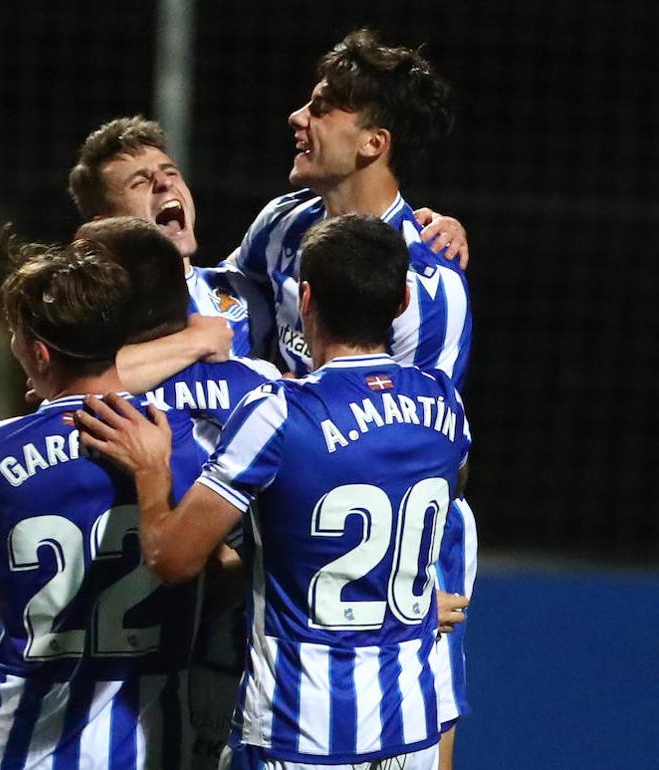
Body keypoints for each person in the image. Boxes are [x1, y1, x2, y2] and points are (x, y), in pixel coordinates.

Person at [77, 214, 471, 770]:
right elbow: (451, 484)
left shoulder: (279, 413)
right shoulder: (443, 402)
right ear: (404, 301)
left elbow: (171, 559)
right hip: (409, 728)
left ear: (304, 299)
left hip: (298, 730)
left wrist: (150, 471)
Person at [228, 30, 474, 765]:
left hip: (400, 567)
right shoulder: (281, 226)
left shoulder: (429, 287)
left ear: (373, 142)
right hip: (288, 560)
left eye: (323, 107)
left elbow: (424, 457)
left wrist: (393, 597)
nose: (297, 117)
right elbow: (229, 341)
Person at [0, 217, 278, 769]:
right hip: (154, 744)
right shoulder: (189, 445)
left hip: (19, 746)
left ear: (39, 354)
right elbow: (222, 573)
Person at [66, 116, 468, 393]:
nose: (163, 185)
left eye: (170, 173)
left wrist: (421, 226)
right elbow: (75, 387)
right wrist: (196, 342)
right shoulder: (93, 309)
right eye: (140, 182)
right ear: (104, 223)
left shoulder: (239, 291)